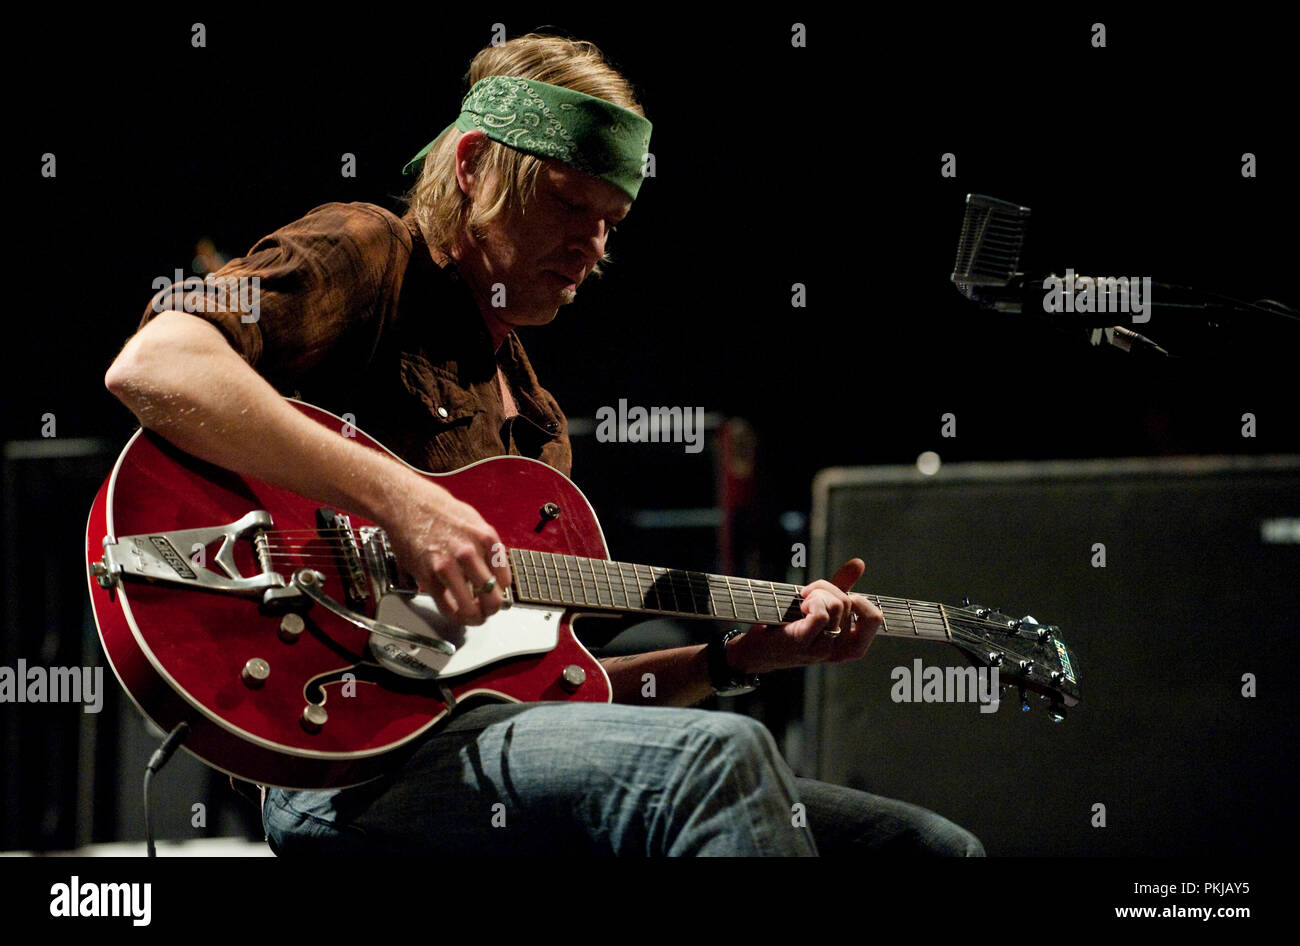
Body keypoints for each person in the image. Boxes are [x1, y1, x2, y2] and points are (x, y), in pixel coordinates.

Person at [104, 33, 984, 856]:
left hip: (483, 741)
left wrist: (736, 657)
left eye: (612, 220)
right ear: (476, 165)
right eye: (569, 203)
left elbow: (569, 688)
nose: (591, 245)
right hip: (341, 760)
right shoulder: (370, 253)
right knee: (721, 759)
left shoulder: (533, 419)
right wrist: (406, 502)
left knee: (927, 848)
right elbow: (159, 361)